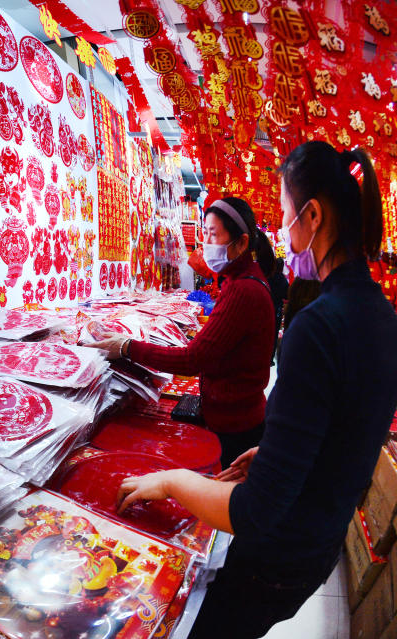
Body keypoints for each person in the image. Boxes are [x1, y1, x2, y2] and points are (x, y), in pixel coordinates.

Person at [115, 141, 397, 639]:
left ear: (311, 216)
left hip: (278, 556)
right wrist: (273, 452)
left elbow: (256, 511)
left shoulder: (317, 326)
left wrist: (174, 481)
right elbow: (345, 427)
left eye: (286, 215)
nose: (284, 234)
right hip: (317, 544)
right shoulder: (380, 315)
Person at [92, 197, 276, 467]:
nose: (206, 243)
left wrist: (127, 347)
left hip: (235, 427)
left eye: (213, 234)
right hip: (239, 416)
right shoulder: (244, 281)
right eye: (205, 232)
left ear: (242, 243)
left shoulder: (243, 290)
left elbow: (192, 360)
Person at [267, 255, 289, 362]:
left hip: (267, 307)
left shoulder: (268, 277)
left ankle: (264, 356)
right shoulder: (283, 281)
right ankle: (270, 358)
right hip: (277, 309)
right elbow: (286, 296)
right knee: (274, 333)